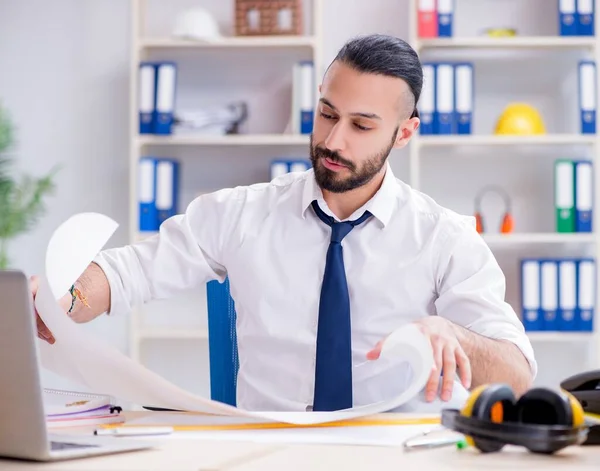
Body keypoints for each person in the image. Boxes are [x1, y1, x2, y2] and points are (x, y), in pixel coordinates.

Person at [32, 34, 536, 412]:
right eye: (326, 114)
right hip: (268, 449)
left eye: (361, 126)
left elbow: (518, 376)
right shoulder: (240, 212)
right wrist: (65, 302)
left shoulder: (444, 238)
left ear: (404, 133)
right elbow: (129, 272)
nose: (333, 141)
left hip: (390, 452)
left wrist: (455, 333)